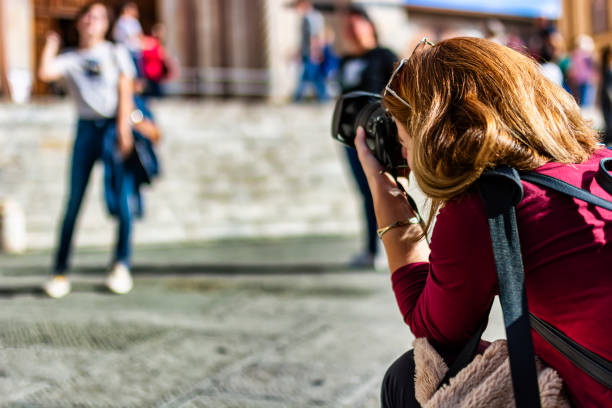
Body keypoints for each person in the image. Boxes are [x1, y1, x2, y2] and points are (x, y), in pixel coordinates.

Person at [352, 37, 611, 406]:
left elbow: (435, 332)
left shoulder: (489, 203)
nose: (401, 144)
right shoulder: (600, 163)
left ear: (433, 126)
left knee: (405, 379)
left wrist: (386, 194)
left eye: (400, 127)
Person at [38, 2, 138, 298]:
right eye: (88, 17)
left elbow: (126, 89)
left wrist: (124, 129)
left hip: (112, 128)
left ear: (107, 25)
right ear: (80, 23)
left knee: (122, 199)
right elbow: (45, 72)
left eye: (99, 18)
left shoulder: (115, 52)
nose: (93, 22)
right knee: (73, 202)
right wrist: (52, 44)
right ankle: (60, 271)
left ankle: (121, 265)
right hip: (85, 130)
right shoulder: (70, 59)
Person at [337, 6, 397, 267]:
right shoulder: (345, 61)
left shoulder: (384, 56)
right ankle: (371, 250)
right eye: (347, 27)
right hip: (352, 139)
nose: (351, 30)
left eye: (356, 24)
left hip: (380, 137)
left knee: (386, 191)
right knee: (365, 193)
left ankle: (391, 248)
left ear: (369, 26)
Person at [292, 0, 327, 102]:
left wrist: (314, 51)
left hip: (311, 52)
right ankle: (323, 98)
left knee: (310, 76)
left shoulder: (310, 17)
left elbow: (314, 36)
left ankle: (297, 98)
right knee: (313, 76)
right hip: (309, 51)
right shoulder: (312, 16)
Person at [600, 46, 612, 147]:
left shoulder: (605, 67)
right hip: (607, 99)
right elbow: (608, 87)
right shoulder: (607, 68)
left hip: (605, 98)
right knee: (609, 122)